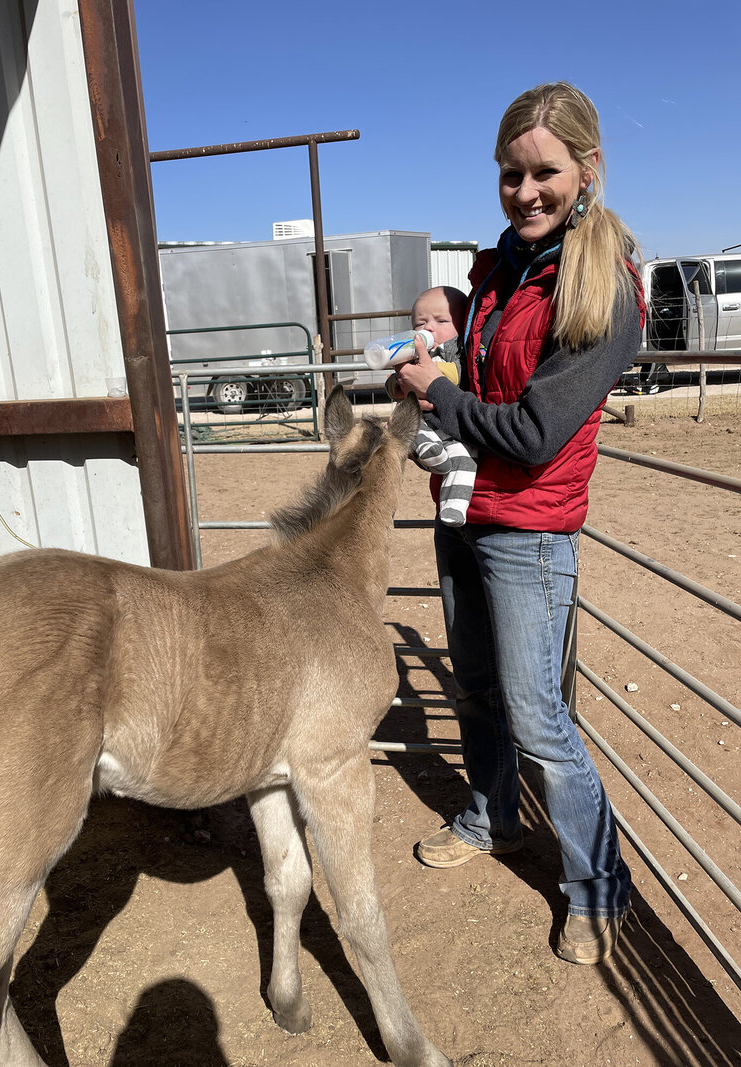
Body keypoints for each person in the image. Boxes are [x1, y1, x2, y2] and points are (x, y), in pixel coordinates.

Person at [393, 82, 642, 965]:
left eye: (545, 172)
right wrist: (435, 375)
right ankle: (495, 815)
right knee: (480, 690)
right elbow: (490, 383)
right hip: (465, 511)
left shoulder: (601, 287)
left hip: (529, 528)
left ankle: (597, 887)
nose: (526, 190)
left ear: (587, 170)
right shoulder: (500, 266)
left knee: (540, 716)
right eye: (511, 174)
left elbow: (536, 434)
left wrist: (442, 395)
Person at [390, 287, 479, 526]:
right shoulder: (410, 353)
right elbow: (395, 378)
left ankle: (454, 507)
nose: (429, 328)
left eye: (441, 321)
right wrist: (395, 386)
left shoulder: (458, 352)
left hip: (453, 426)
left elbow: (457, 374)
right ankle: (431, 452)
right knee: (408, 426)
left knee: (464, 457)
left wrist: (429, 373)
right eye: (421, 323)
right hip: (422, 419)